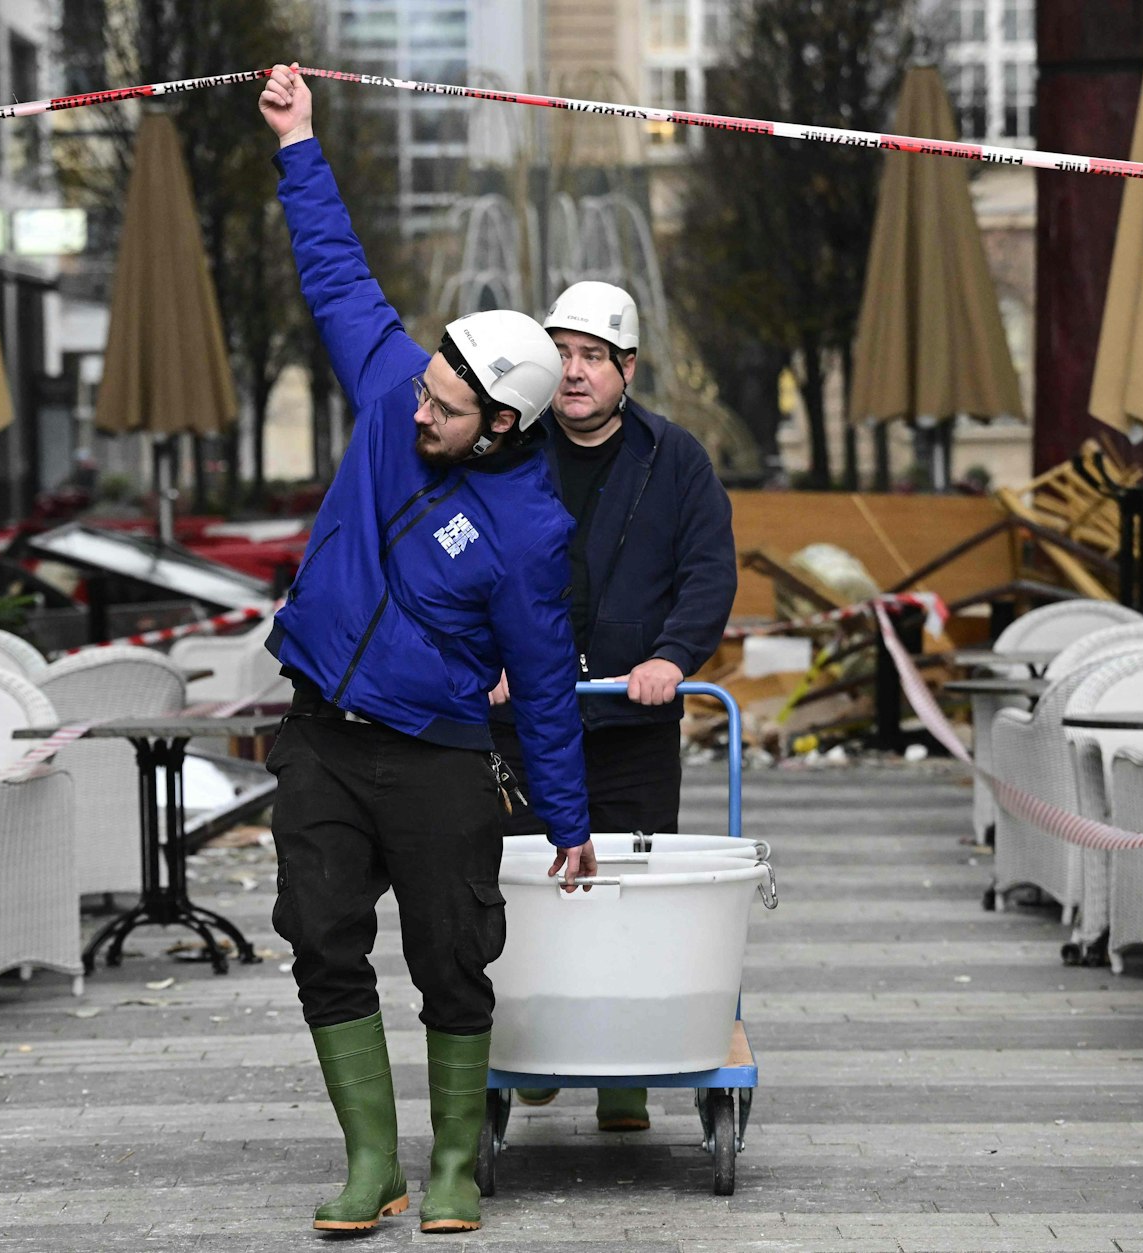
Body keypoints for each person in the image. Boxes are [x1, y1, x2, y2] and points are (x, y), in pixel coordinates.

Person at [257, 64, 596, 1236]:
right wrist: (297, 142)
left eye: (444, 410)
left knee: (451, 957)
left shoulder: (529, 530)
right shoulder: (394, 379)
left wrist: (567, 818)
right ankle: (372, 1161)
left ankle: (452, 1160)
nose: (418, 412)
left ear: (503, 425)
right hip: (320, 732)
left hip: (438, 752)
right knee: (318, 938)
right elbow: (334, 269)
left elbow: (542, 684)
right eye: (424, 389)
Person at [490, 280, 738, 1133]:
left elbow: (708, 570)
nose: (573, 371)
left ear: (627, 368)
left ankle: (624, 1074)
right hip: (525, 722)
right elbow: (470, 561)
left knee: (631, 886)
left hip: (631, 722)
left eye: (592, 356)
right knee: (527, 884)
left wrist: (672, 657)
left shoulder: (675, 460)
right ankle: (534, 1044)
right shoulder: (509, 451)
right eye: (561, 353)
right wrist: (488, 657)